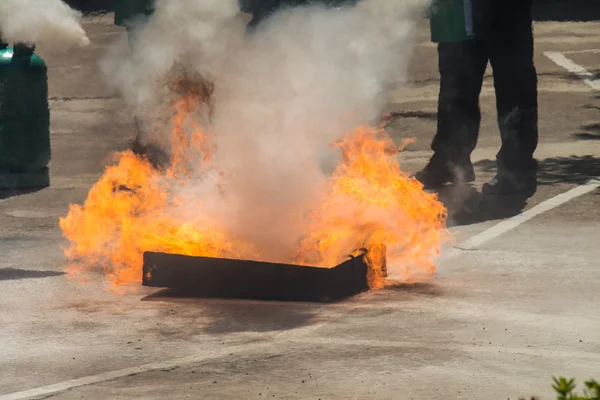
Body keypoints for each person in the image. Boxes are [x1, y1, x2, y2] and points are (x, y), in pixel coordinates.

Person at [415, 0, 538, 195]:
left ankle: (517, 170)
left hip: (506, 9)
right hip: (456, 9)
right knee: (455, 81)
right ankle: (451, 160)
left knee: (514, 83)